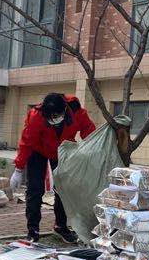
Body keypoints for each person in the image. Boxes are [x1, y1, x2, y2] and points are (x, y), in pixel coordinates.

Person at [13, 91, 95, 243]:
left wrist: (93, 153)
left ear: (64, 110)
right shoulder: (36, 116)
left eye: (56, 116)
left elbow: (89, 131)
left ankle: (60, 226)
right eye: (50, 117)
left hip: (62, 150)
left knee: (63, 189)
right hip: (38, 150)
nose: (53, 119)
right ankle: (33, 230)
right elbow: (27, 142)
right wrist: (19, 168)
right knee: (35, 189)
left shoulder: (76, 110)